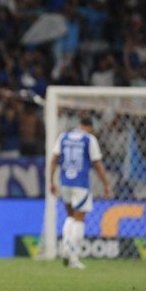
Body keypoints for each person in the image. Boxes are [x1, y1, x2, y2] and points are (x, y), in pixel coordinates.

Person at [48, 115, 112, 269]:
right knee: (79, 218)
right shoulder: (89, 139)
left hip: (65, 182)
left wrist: (51, 181)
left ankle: (66, 248)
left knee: (70, 216)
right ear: (89, 127)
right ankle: (71, 252)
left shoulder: (63, 137)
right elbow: (97, 164)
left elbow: (54, 159)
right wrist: (106, 184)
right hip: (81, 184)